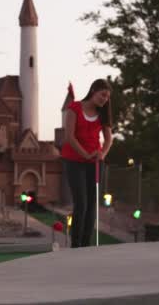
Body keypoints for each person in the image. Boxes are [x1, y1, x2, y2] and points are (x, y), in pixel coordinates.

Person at [61, 78, 113, 248]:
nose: (104, 99)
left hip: (95, 162)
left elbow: (108, 139)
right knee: (81, 203)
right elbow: (70, 137)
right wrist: (86, 155)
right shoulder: (74, 108)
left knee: (92, 204)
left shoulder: (103, 114)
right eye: (102, 95)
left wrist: (102, 155)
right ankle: (75, 244)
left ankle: (86, 244)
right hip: (75, 160)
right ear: (93, 91)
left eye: (107, 97)